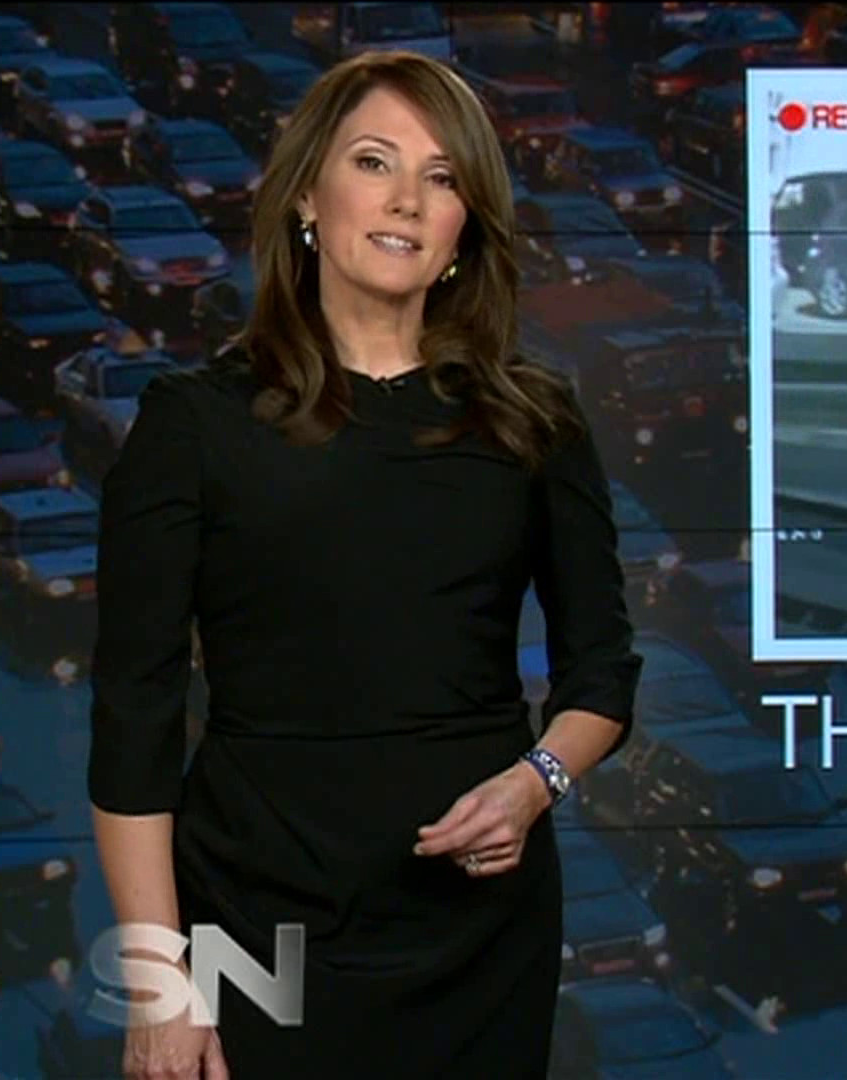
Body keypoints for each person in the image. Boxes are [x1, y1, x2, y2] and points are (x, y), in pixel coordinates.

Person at [86, 50, 642, 1079]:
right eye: (375, 162)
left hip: (479, 937)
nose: (407, 201)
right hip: (258, 920)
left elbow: (602, 670)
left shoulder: (533, 418)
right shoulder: (194, 425)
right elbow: (133, 716)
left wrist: (536, 784)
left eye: (442, 177)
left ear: (466, 223)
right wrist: (160, 982)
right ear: (308, 194)